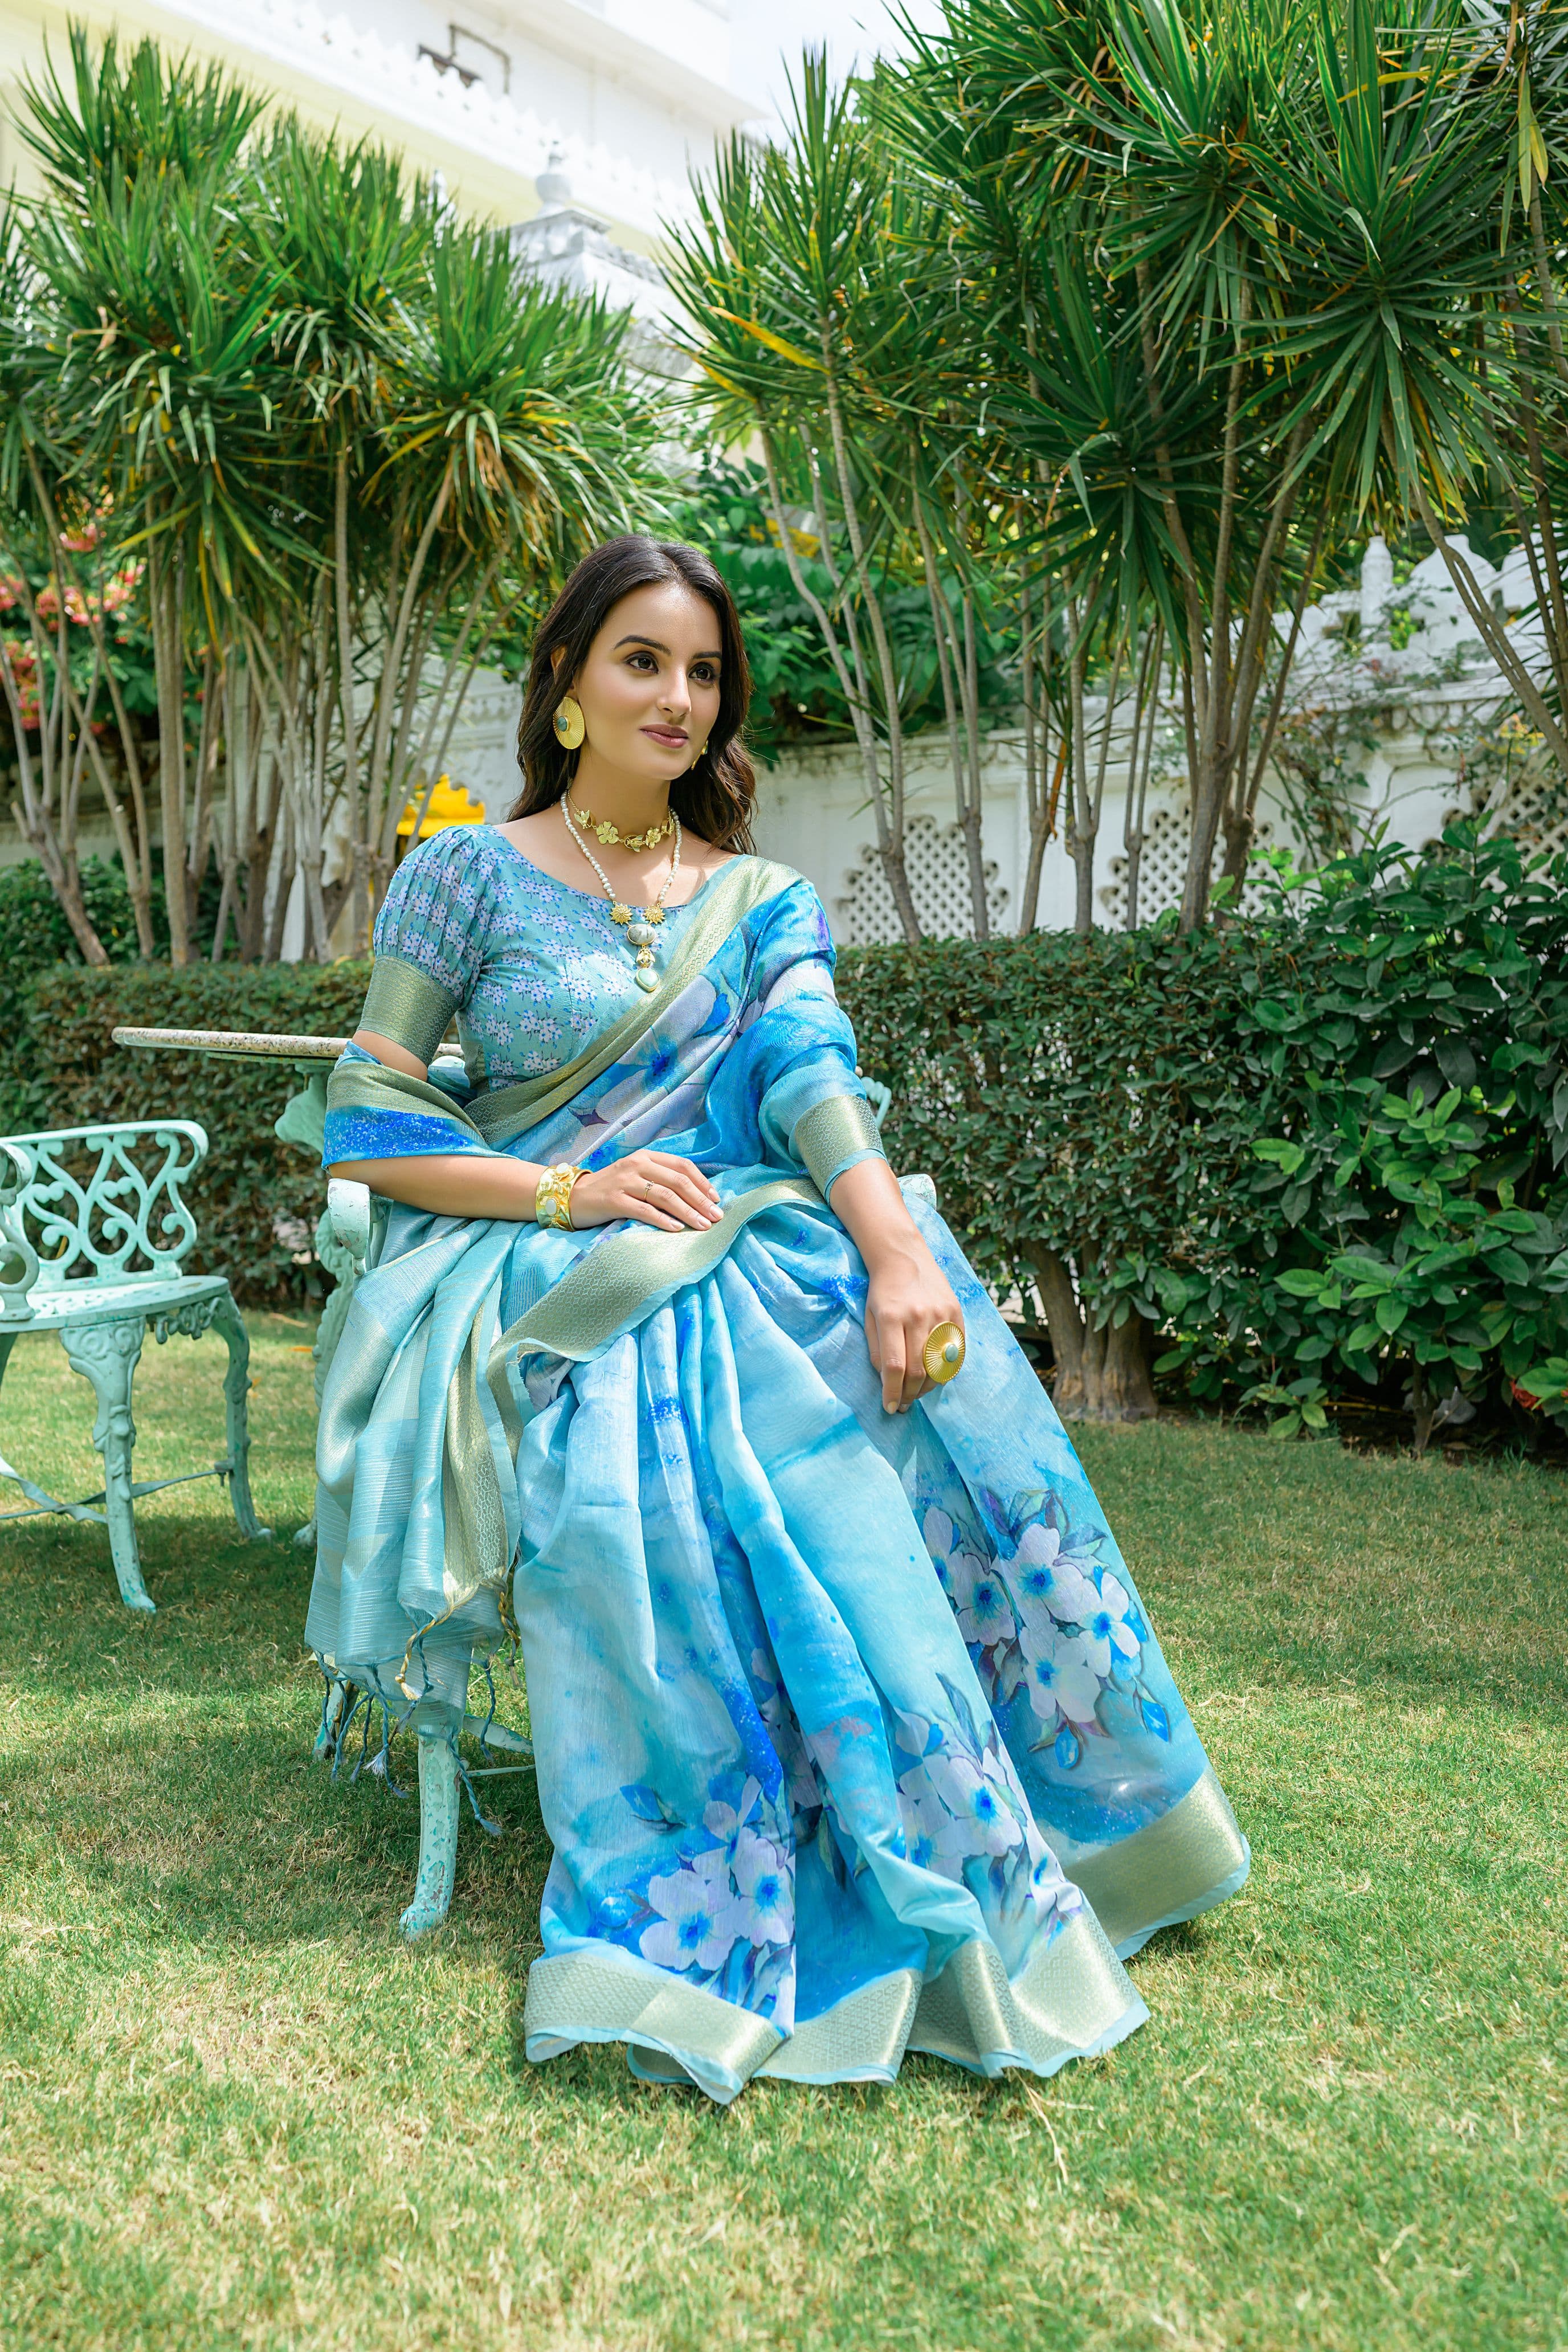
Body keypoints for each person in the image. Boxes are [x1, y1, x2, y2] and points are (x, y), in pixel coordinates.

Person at [309, 534, 1248, 2103]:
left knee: (889, 1382)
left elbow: (810, 1077)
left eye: (703, 671)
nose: (678, 697)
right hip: (541, 1254)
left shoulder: (759, 897)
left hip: (740, 1231)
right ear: (567, 686)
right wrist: (576, 1198)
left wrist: (897, 1255)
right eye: (642, 661)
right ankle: (719, 1870)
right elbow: (371, 1118)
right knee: (663, 1422)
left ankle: (972, 1827)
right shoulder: (463, 871)